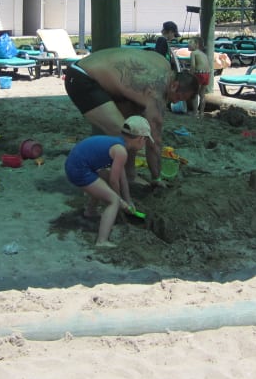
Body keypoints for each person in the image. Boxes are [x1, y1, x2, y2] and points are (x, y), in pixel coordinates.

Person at [64, 47, 198, 183]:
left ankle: (129, 175)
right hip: (82, 78)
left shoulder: (163, 63)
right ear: (174, 86)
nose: (176, 101)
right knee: (124, 135)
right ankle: (94, 175)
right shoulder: (156, 94)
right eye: (179, 97)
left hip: (97, 75)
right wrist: (157, 177)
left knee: (134, 130)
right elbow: (155, 143)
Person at [64, 116, 151, 247]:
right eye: (146, 140)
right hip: (78, 170)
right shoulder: (121, 152)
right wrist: (119, 201)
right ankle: (102, 241)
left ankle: (90, 211)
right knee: (113, 200)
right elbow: (114, 181)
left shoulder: (119, 145)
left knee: (103, 182)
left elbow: (122, 178)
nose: (145, 143)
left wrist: (128, 201)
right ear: (140, 138)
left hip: (76, 165)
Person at [187, 36, 211, 117]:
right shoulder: (203, 54)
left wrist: (189, 75)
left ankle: (195, 112)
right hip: (207, 74)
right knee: (202, 94)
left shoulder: (193, 53)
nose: (188, 45)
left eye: (190, 43)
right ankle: (201, 113)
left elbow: (193, 66)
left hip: (199, 74)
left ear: (197, 44)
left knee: (194, 93)